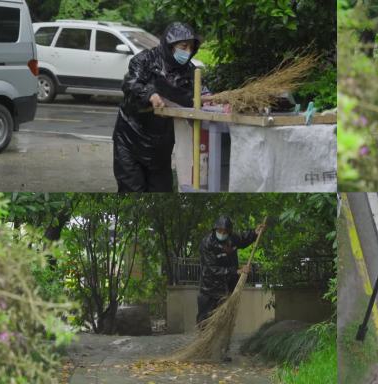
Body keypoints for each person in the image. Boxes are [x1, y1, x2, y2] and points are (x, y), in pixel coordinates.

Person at [113, 22, 202, 192]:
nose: (187, 51)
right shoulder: (144, 60)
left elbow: (200, 95)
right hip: (130, 139)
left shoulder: (190, 71)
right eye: (184, 46)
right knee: (132, 189)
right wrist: (150, 95)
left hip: (161, 145)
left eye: (191, 47)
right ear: (170, 45)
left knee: (161, 190)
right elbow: (131, 84)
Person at [197, 216, 266, 327]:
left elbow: (243, 239)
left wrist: (254, 233)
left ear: (229, 232)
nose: (222, 233)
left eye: (225, 231)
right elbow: (212, 269)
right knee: (205, 321)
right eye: (220, 231)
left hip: (228, 287)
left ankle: (223, 342)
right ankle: (206, 341)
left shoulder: (232, 238)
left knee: (225, 320)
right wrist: (236, 271)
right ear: (215, 229)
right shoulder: (207, 244)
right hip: (210, 289)